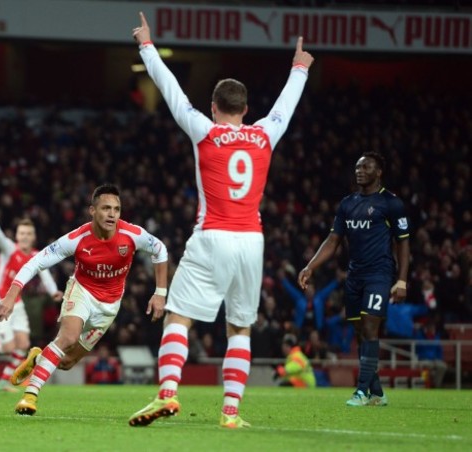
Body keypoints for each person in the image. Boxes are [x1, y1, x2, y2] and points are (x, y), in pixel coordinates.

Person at [128, 12, 314, 429]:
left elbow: (171, 91)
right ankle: (230, 413)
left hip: (213, 235)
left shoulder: (204, 131)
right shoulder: (266, 133)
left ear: (214, 108)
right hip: (252, 240)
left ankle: (168, 393)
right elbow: (286, 105)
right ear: (246, 110)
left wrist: (147, 45)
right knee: (240, 327)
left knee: (178, 316)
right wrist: (299, 69)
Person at [0, 184, 168, 415]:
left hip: (110, 306)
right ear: (92, 211)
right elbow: (35, 262)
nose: (112, 214)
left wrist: (160, 292)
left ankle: (38, 357)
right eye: (106, 208)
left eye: (116, 209)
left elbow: (160, 250)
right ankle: (30, 396)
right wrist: (10, 296)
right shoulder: (77, 238)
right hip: (82, 292)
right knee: (67, 337)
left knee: (66, 363)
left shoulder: (132, 235)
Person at [298, 152, 410, 406]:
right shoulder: (348, 204)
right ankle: (378, 393)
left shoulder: (391, 203)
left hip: (379, 274)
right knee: (361, 334)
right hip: (354, 276)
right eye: (357, 167)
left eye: (366, 167)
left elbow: (404, 243)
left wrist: (401, 280)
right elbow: (333, 240)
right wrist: (310, 266)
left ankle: (361, 391)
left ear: (378, 171)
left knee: (371, 327)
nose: (359, 170)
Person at [0, 193, 63, 393]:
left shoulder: (37, 256)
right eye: (22, 234)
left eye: (29, 234)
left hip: (16, 304)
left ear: (34, 237)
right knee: (10, 346)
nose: (25, 237)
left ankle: (4, 383)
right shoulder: (9, 249)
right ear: (17, 236)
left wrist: (54, 292)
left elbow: (45, 275)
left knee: (23, 344)